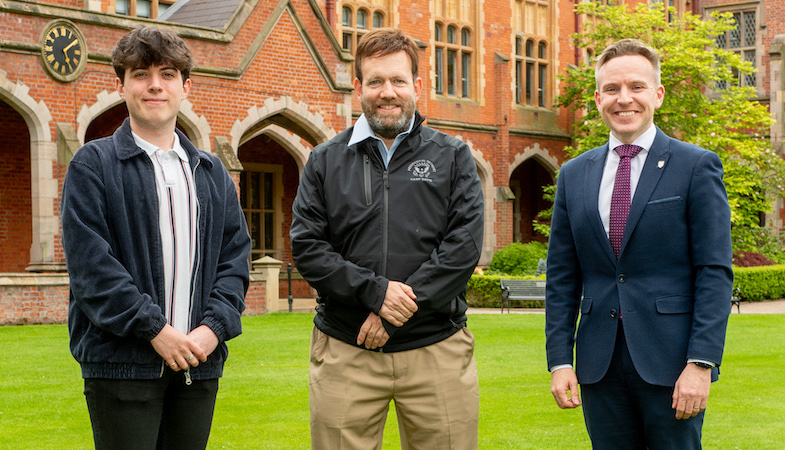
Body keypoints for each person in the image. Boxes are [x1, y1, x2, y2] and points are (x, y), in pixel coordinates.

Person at [290, 28, 484, 450]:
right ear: (358, 87)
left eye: (398, 80)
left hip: (436, 347)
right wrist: (374, 294)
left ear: (417, 85)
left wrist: (393, 312)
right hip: (347, 346)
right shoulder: (324, 160)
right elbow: (308, 247)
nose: (387, 92)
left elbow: (463, 247)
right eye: (375, 81)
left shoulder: (453, 155)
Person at [61, 25, 251, 450]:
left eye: (167, 74)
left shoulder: (211, 171)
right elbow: (92, 269)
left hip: (199, 366)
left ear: (186, 87)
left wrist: (212, 330)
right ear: (121, 85)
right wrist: (156, 331)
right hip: (122, 366)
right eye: (140, 74)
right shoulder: (93, 165)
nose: (154, 85)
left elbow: (235, 259)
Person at [545, 38, 733, 449]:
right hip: (598, 366)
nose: (623, 99)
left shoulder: (696, 165)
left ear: (657, 94)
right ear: (597, 98)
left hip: (672, 365)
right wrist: (560, 361)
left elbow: (714, 272)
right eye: (612, 89)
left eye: (636, 86)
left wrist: (701, 363)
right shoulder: (574, 174)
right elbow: (562, 277)